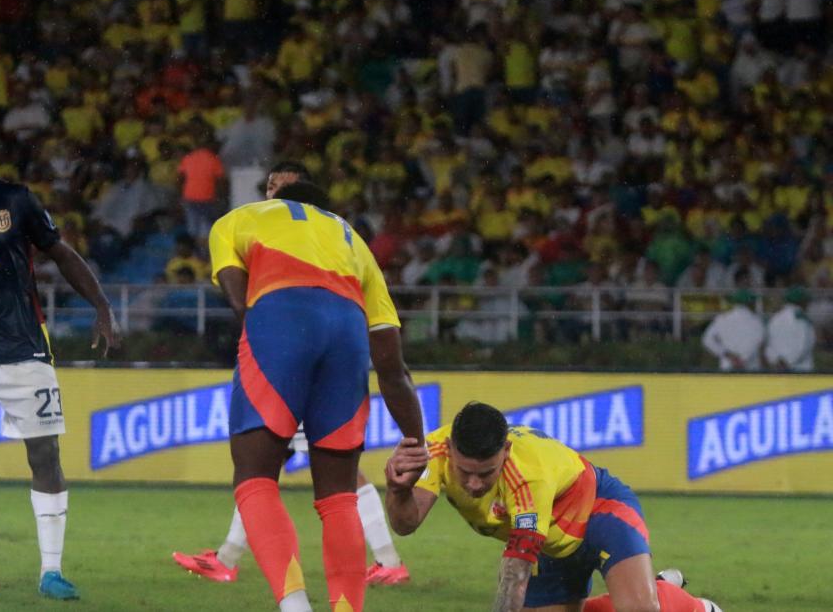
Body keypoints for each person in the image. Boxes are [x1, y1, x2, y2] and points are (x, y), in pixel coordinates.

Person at [173, 165, 412, 588]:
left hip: (289, 356)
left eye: (282, 186)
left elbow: (242, 301)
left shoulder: (254, 225)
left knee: (291, 473)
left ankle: (387, 561)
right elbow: (390, 359)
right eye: (269, 186)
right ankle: (228, 555)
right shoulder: (347, 243)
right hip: (336, 348)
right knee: (289, 470)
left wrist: (275, 339)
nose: (273, 192)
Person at [0, 112, 120, 601]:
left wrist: (100, 304)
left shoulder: (14, 199)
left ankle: (51, 571)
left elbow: (60, 252)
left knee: (46, 456)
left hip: (24, 350)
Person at [384, 402, 723, 612]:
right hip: (550, 542)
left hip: (599, 513)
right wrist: (398, 490)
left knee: (639, 610)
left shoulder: (527, 474)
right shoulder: (432, 453)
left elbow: (515, 570)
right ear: (450, 449)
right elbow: (405, 524)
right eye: (465, 473)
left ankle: (695, 607)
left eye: (485, 473)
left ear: (504, 450)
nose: (473, 484)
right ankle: (659, 585)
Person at [701, 290, 766, 371]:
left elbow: (707, 340)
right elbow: (758, 341)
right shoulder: (757, 322)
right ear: (750, 303)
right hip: (751, 368)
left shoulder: (722, 319)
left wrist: (727, 354)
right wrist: (743, 358)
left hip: (727, 366)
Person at [765, 287, 816, 372]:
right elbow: (803, 345)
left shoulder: (774, 318)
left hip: (778, 368)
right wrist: (787, 362)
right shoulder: (801, 319)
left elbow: (768, 344)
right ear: (801, 301)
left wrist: (775, 360)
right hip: (800, 371)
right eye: (806, 301)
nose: (807, 304)